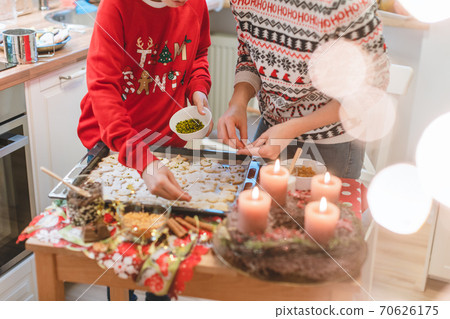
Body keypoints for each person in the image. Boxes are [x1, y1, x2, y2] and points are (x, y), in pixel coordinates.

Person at [77, 0, 212, 300]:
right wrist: (141, 159)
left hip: (166, 145)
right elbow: (103, 88)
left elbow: (198, 53)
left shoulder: (196, 4)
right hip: (114, 148)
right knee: (119, 260)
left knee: (161, 258)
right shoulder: (117, 7)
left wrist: (198, 87)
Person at [218, 0, 390, 179]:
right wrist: (238, 102)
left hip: (331, 140)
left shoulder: (344, 4)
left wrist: (293, 128)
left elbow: (372, 84)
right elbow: (248, 54)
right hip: (271, 131)